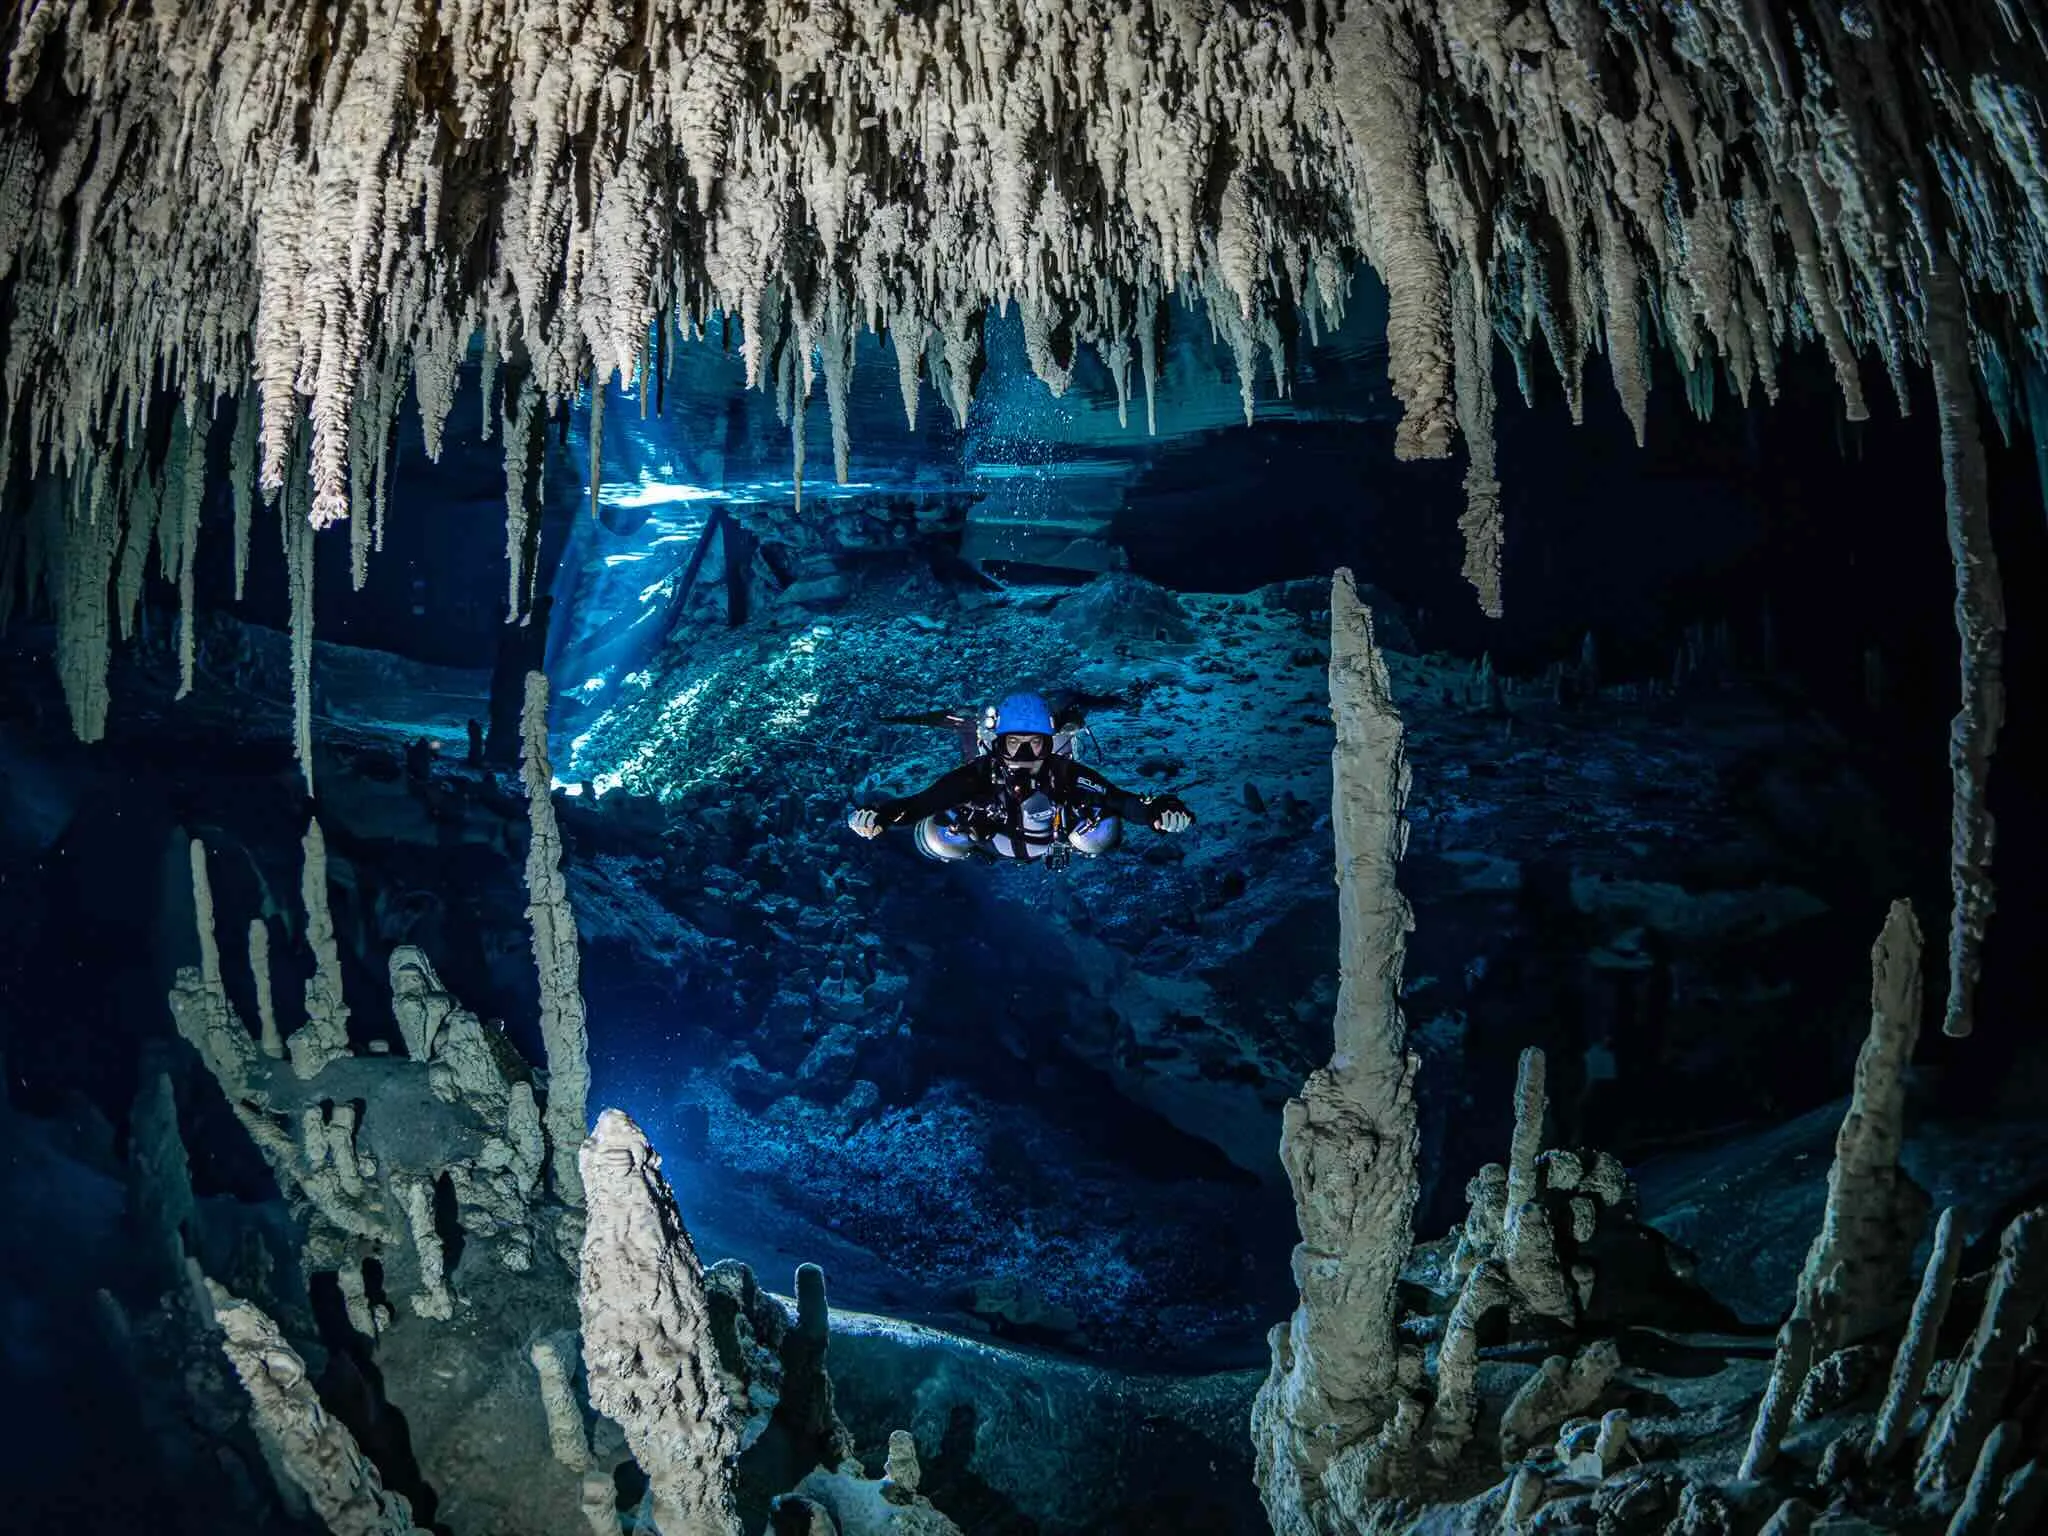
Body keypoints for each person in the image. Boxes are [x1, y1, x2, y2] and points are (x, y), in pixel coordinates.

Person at [847, 691, 1192, 864]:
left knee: (1103, 832)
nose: (1024, 758)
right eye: (1014, 744)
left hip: (1053, 839)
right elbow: (921, 803)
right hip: (989, 841)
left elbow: (1119, 800)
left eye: (1034, 745)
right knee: (942, 840)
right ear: (998, 746)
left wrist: (1156, 813)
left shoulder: (1065, 773)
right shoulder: (979, 775)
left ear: (1048, 746)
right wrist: (882, 816)